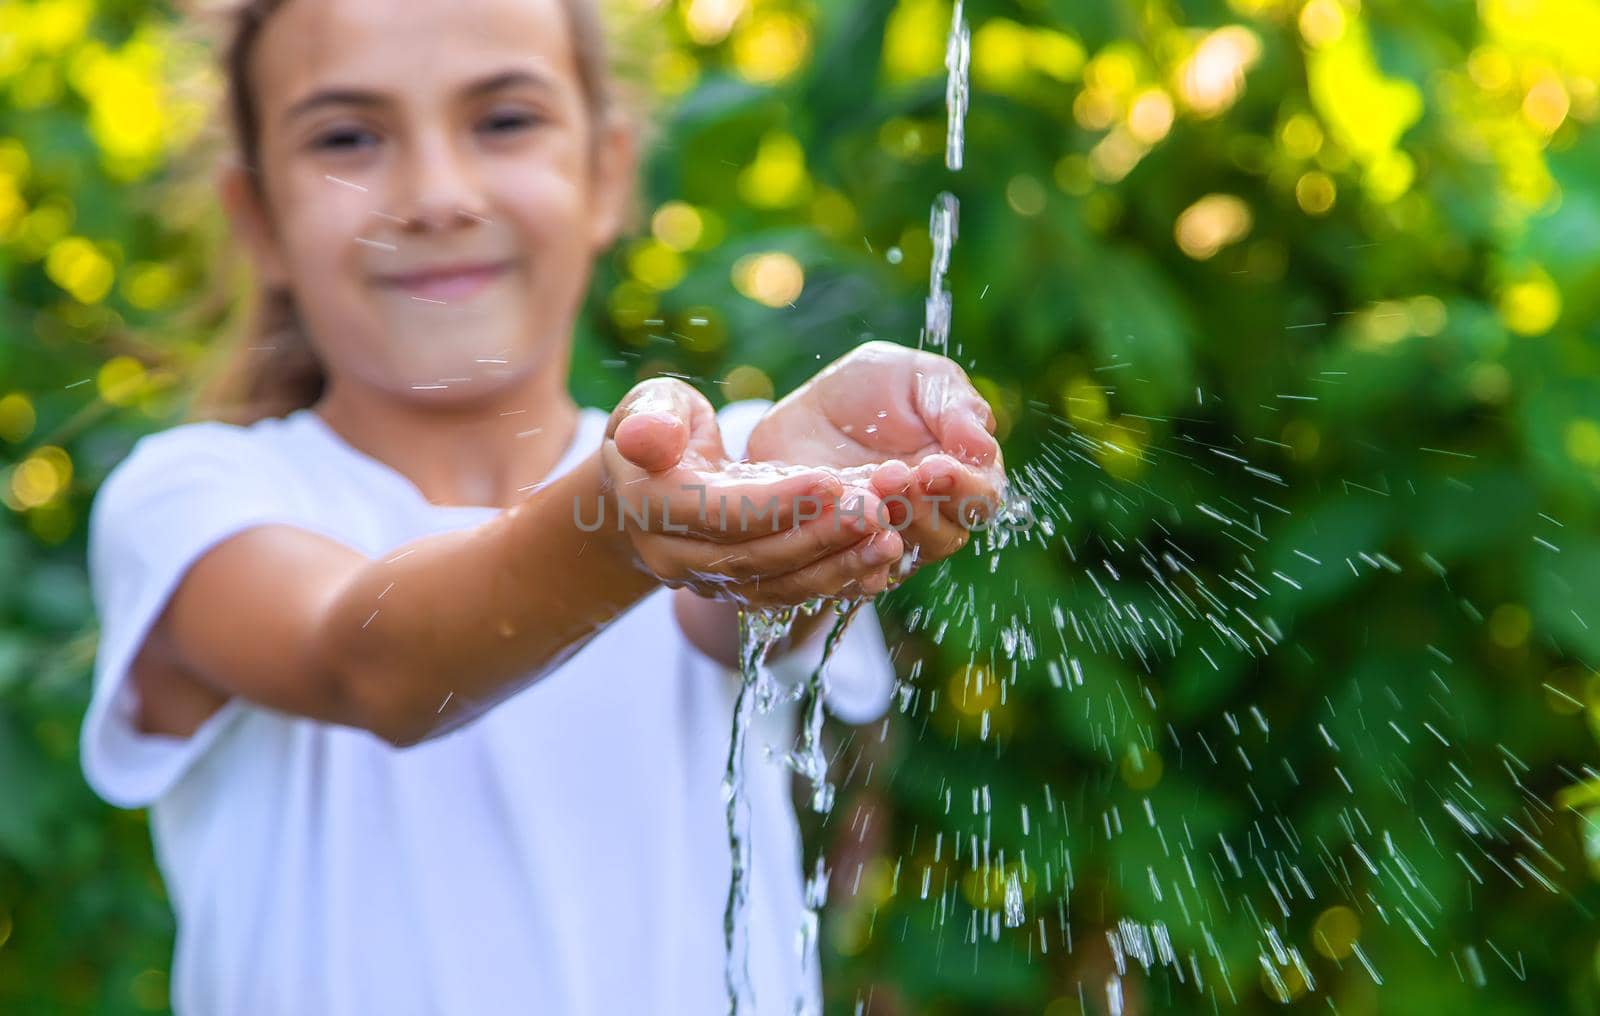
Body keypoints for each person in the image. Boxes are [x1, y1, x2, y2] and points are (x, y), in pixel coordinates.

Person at [79, 0, 1003, 1013]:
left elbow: (731, 598)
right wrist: (627, 529)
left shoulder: (726, 466)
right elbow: (368, 664)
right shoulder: (193, 501)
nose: (436, 193)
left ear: (607, 173)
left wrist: (817, 478)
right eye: (348, 136)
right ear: (257, 217)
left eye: (504, 120)